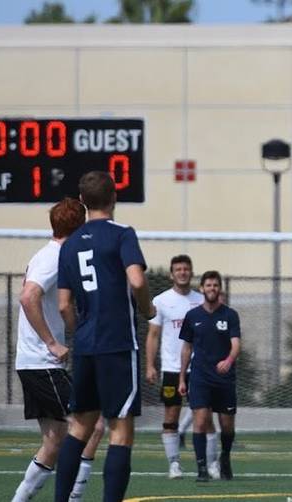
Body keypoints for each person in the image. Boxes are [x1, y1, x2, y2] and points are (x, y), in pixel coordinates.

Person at [54, 171, 155, 502]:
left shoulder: (69, 245)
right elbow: (137, 281)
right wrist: (148, 310)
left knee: (79, 427)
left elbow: (64, 305)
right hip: (117, 343)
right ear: (114, 197)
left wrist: (80, 334)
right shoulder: (122, 234)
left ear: (83, 201)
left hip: (85, 345)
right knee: (120, 431)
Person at [11, 198, 86, 502]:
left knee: (54, 440)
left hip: (33, 362)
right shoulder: (54, 257)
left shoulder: (51, 254)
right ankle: (74, 496)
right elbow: (28, 297)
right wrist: (51, 342)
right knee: (89, 425)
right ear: (78, 228)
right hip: (42, 363)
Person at [145, 254, 204, 479]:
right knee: (171, 415)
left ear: (191, 272)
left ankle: (208, 464)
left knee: (204, 415)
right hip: (171, 368)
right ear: (172, 274)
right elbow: (153, 335)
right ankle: (174, 464)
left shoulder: (201, 300)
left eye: (186, 269)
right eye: (178, 269)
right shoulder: (161, 301)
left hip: (199, 368)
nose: (182, 273)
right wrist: (150, 365)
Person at [178, 271, 240, 483]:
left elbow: (236, 344)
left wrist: (228, 360)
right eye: (208, 285)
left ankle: (225, 457)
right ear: (202, 288)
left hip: (224, 379)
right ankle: (202, 468)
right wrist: (182, 378)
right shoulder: (192, 316)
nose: (212, 288)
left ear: (219, 289)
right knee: (201, 420)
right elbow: (186, 348)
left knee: (227, 425)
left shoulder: (230, 315)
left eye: (215, 285)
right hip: (200, 377)